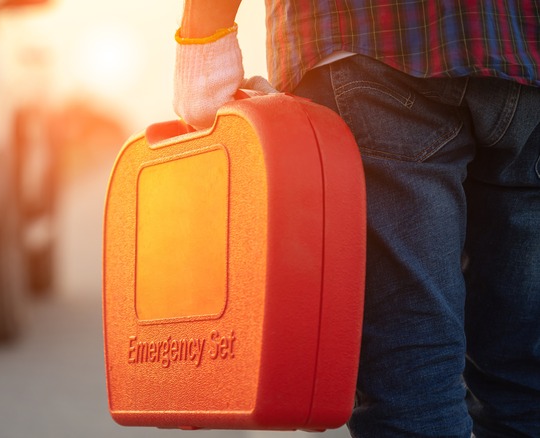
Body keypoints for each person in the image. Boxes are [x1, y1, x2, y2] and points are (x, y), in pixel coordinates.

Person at [174, 1, 540, 436]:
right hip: (523, 57)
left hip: (372, 43)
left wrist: (204, 39)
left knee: (412, 379)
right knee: (522, 380)